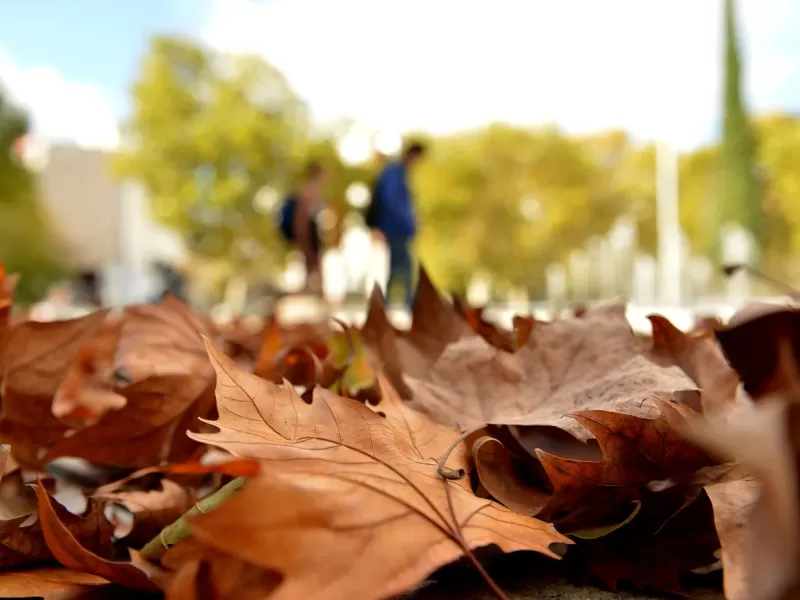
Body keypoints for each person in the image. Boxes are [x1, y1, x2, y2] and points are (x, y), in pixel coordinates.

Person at [368, 141, 426, 310]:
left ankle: (386, 307)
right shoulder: (395, 174)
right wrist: (407, 224)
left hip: (398, 230)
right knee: (403, 270)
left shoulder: (397, 173)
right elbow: (391, 203)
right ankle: (407, 307)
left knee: (397, 270)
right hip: (396, 230)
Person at [278, 161, 327, 293]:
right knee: (312, 269)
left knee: (313, 270)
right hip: (308, 237)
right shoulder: (308, 192)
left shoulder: (314, 192)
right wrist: (304, 242)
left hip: (311, 237)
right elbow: (302, 220)